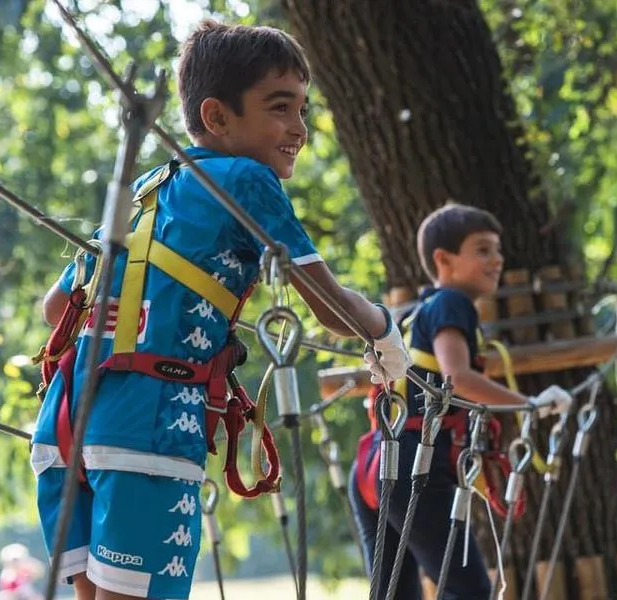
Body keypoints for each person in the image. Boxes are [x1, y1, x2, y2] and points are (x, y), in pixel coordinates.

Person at [31, 21, 410, 600]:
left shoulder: (148, 188)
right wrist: (383, 331)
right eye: (279, 108)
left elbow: (56, 308)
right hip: (152, 425)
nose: (299, 128)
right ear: (217, 116)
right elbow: (332, 307)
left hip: (65, 426)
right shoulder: (246, 179)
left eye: (302, 110)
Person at [349, 204, 569, 599]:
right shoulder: (452, 304)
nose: (497, 259)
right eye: (483, 250)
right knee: (470, 592)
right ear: (444, 260)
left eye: (497, 250)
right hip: (414, 468)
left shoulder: (415, 314)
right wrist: (531, 405)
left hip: (377, 463)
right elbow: (458, 378)